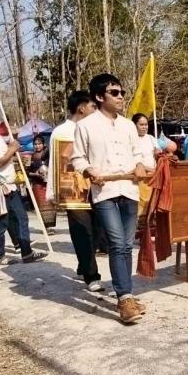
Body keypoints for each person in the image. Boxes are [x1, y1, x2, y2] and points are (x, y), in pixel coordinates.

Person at [71, 73, 148, 324]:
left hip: (129, 190)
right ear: (99, 96)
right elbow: (77, 157)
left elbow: (138, 153)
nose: (121, 97)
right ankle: (124, 299)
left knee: (126, 244)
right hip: (104, 192)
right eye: (114, 93)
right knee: (116, 243)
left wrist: (139, 165)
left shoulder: (128, 126)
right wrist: (89, 170)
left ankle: (127, 294)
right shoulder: (85, 126)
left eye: (122, 92)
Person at [47, 90, 103, 291]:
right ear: (81, 108)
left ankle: (84, 263)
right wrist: (54, 191)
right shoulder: (61, 132)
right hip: (73, 191)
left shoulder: (94, 129)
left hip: (95, 188)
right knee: (82, 231)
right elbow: (56, 163)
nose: (95, 110)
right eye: (92, 106)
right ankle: (91, 276)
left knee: (97, 229)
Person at [0, 129, 47, 266]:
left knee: (21, 217)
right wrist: (13, 148)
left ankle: (26, 252)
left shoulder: (2, 140)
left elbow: (5, 158)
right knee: (1, 222)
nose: (13, 128)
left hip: (10, 186)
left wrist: (15, 156)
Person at [27, 134, 57, 231]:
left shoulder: (48, 155)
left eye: (39, 144)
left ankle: (51, 225)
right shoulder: (31, 157)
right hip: (38, 185)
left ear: (43, 144)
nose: (37, 146)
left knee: (51, 204)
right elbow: (27, 172)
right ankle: (47, 227)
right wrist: (36, 174)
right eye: (35, 144)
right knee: (42, 205)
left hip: (49, 184)